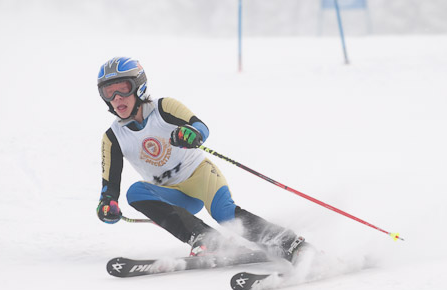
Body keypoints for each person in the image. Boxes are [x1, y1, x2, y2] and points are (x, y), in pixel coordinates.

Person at [96, 56, 309, 262]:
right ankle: (207, 239)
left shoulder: (164, 107)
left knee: (224, 213)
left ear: (139, 86)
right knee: (135, 192)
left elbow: (200, 127)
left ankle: (291, 244)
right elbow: (110, 186)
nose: (116, 98)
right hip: (173, 195)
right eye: (108, 92)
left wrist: (191, 134)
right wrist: (107, 204)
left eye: (122, 88)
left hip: (200, 176)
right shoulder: (113, 137)